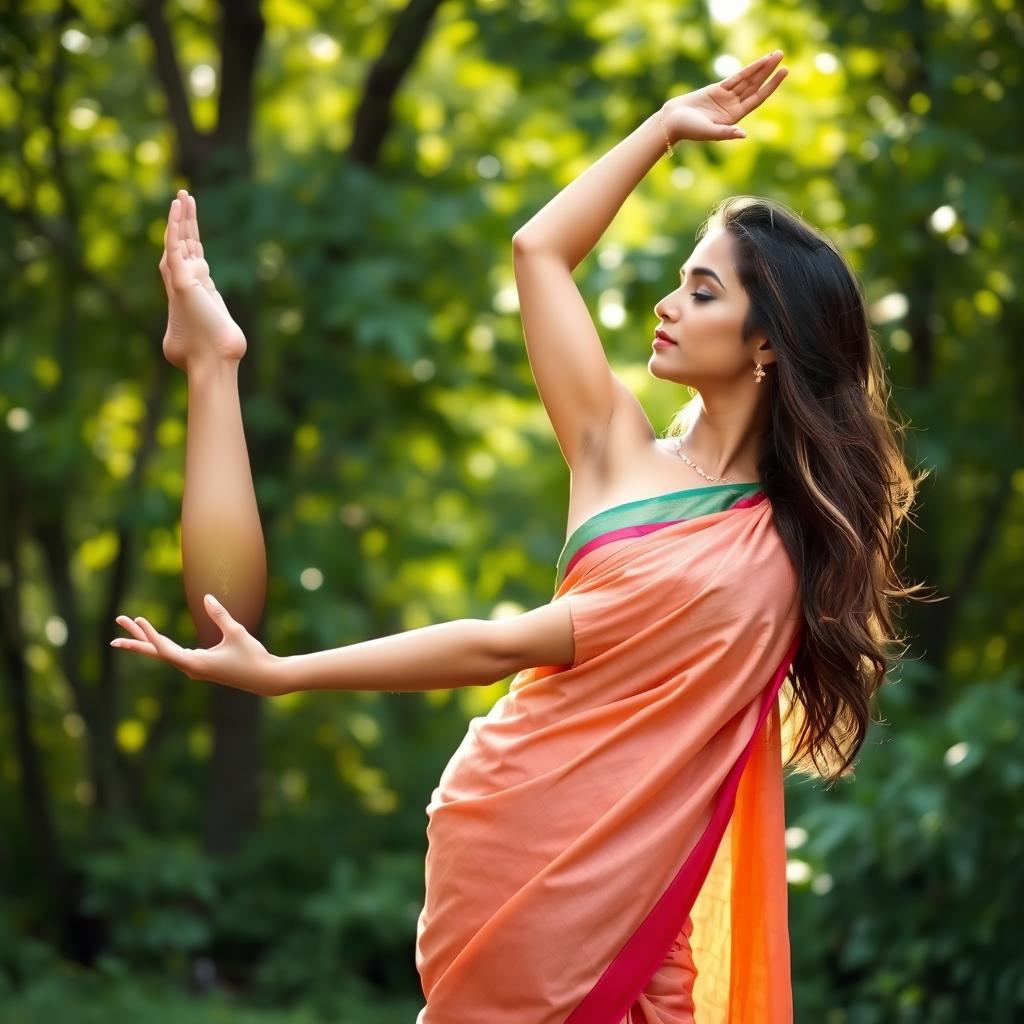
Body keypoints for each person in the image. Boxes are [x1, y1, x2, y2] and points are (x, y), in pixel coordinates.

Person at [110, 48, 931, 1024]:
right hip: (514, 858)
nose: (668, 306)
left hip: (613, 904)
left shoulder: (781, 550)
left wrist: (287, 671)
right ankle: (210, 362)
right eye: (680, 281)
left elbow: (505, 644)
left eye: (704, 291)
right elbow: (538, 251)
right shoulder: (616, 449)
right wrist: (662, 127)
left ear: (767, 342)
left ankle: (210, 362)